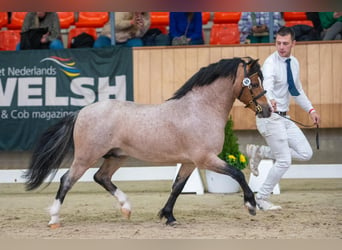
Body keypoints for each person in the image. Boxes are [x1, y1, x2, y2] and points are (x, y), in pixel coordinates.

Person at [246, 26, 320, 210]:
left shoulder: (294, 63)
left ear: (293, 43)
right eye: (278, 43)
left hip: (284, 117)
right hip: (269, 117)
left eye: (285, 43)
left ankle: (260, 152)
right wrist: (270, 99)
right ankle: (261, 198)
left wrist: (311, 110)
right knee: (284, 160)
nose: (281, 47)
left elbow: (297, 90)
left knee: (306, 153)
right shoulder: (271, 63)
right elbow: (267, 86)